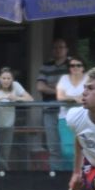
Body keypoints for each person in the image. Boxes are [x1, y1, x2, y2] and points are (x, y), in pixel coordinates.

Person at [0, 66, 32, 170]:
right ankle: (3, 171)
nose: (6, 81)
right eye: (3, 78)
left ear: (12, 79)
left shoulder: (16, 85)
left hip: (8, 124)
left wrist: (17, 98)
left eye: (8, 78)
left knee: (5, 152)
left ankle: (3, 174)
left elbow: (30, 99)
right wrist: (2, 97)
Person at [37, 38, 70, 171]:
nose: (58, 50)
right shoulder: (46, 66)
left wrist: (51, 87)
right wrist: (60, 91)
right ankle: (55, 174)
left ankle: (70, 173)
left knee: (68, 145)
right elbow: (40, 87)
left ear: (66, 50)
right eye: (56, 47)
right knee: (53, 146)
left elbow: (73, 87)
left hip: (68, 112)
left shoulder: (72, 65)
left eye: (61, 47)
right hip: (50, 109)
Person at [55, 55, 87, 167]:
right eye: (72, 65)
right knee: (67, 150)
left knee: (86, 148)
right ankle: (69, 173)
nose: (75, 68)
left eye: (78, 65)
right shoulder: (64, 78)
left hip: (85, 118)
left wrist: (69, 97)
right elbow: (60, 97)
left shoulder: (88, 79)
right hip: (65, 118)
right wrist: (75, 98)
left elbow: (89, 96)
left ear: (83, 67)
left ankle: (83, 173)